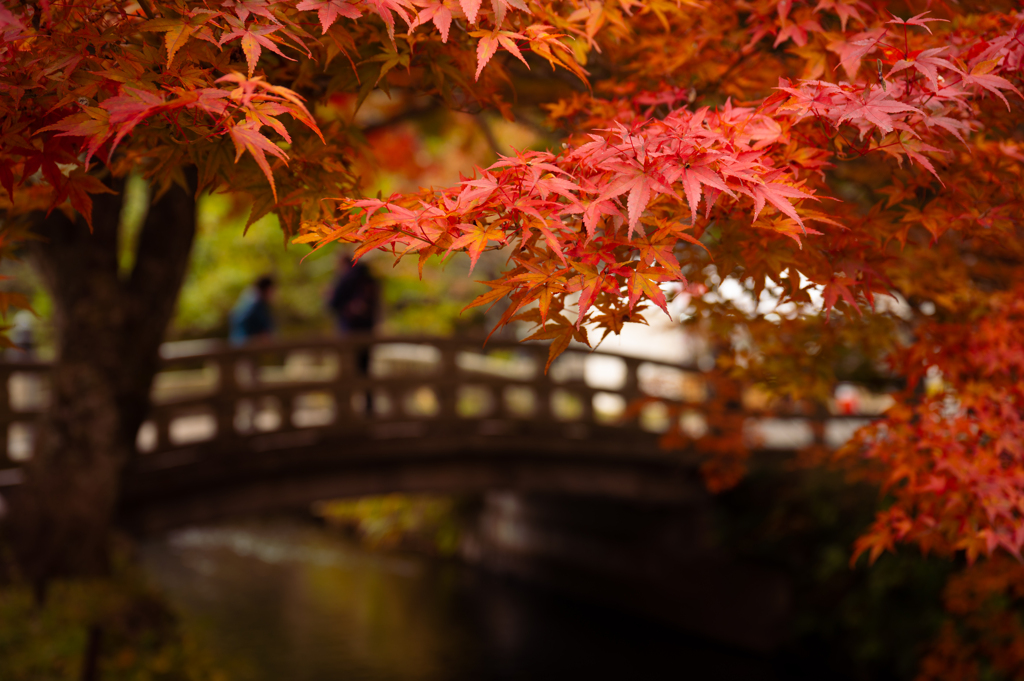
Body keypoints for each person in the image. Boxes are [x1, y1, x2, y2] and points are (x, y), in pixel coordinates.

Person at [327, 253, 379, 411]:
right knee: (365, 370)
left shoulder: (345, 279)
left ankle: (345, 409)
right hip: (367, 331)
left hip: (348, 332)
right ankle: (369, 407)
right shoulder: (370, 279)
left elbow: (332, 304)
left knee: (347, 371)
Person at [229, 274, 276, 345]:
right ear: (267, 289)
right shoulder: (256, 304)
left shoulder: (248, 297)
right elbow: (264, 329)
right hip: (245, 343)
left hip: (236, 341)